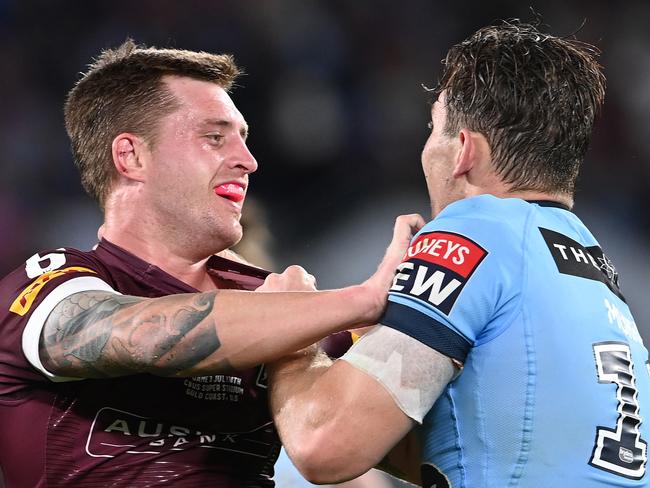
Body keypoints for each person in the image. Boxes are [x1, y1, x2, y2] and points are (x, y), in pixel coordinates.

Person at [0, 40, 423, 487]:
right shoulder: (52, 286)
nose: (248, 161)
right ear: (131, 157)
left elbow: (423, 456)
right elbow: (146, 337)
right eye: (214, 137)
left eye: (243, 138)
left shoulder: (282, 301)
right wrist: (362, 299)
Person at [268, 20, 650, 487]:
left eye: (434, 128)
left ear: (464, 150)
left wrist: (291, 341)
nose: (428, 148)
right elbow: (490, 445)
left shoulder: (473, 230)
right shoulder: (592, 266)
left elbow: (323, 446)